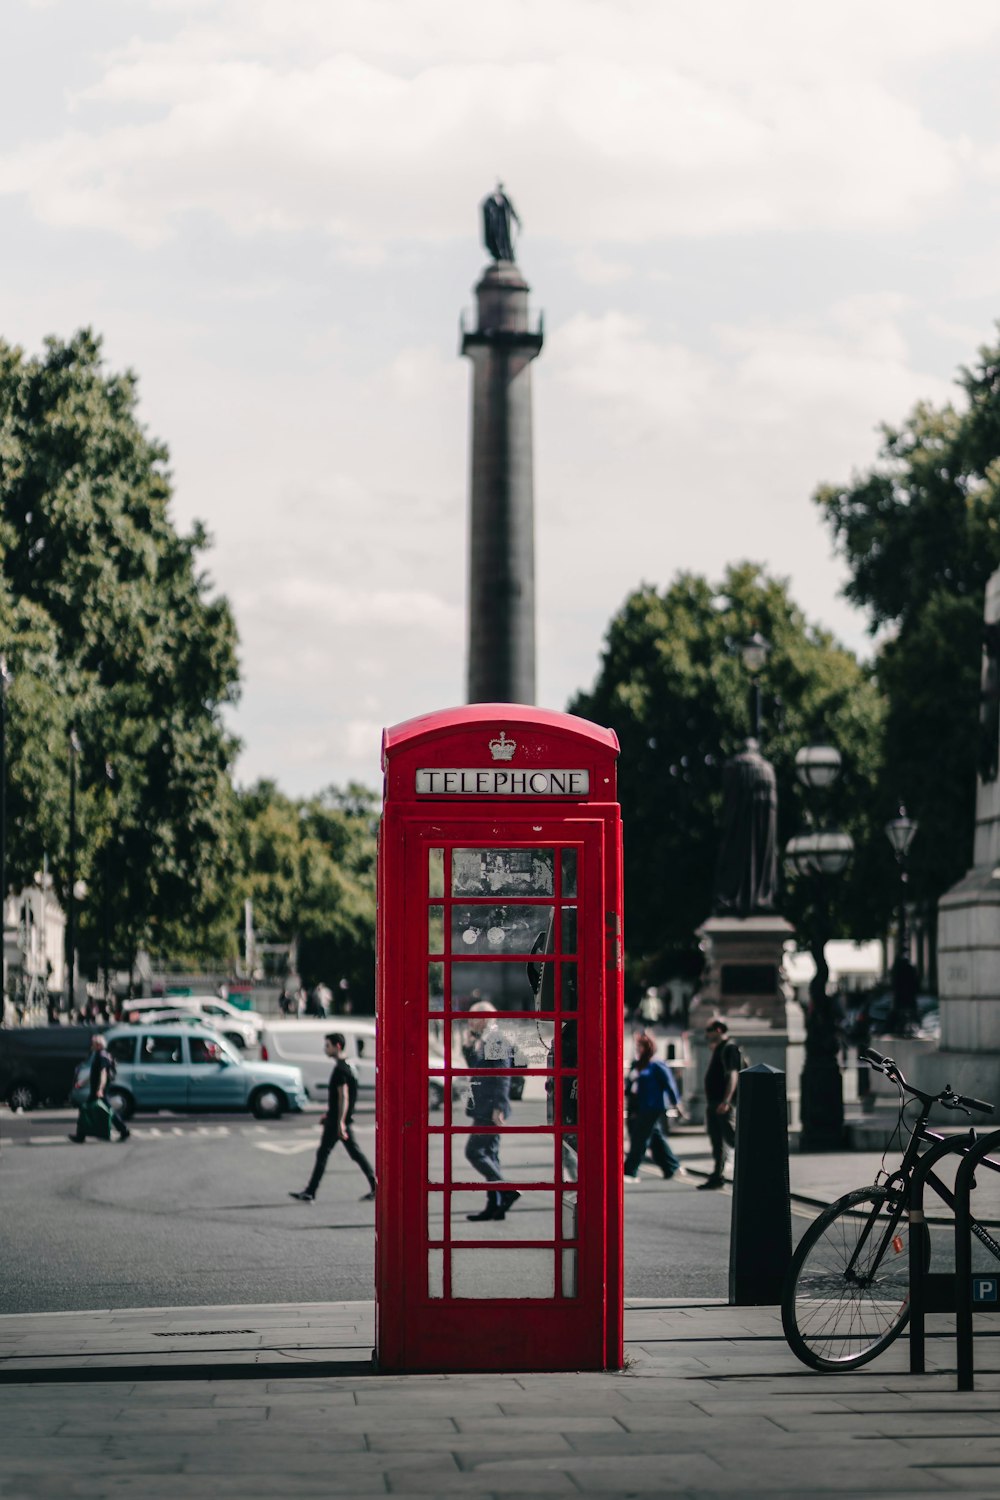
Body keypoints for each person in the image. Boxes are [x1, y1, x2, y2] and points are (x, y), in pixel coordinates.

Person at [289, 1033, 376, 1203]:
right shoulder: (349, 1066)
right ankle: (374, 1185)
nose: (325, 1049)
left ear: (337, 1046)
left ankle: (310, 1192)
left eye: (327, 1045)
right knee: (351, 1153)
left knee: (326, 1154)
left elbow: (344, 1097)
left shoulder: (340, 1070)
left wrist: (340, 1122)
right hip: (337, 1119)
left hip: (337, 1122)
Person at [462, 1000, 519, 1222]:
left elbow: (503, 1077)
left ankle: (506, 1191)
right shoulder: (485, 1039)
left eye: (472, 1017)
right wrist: (468, 1048)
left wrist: (498, 1108)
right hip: (484, 1106)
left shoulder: (496, 1039)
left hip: (490, 1108)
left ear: (484, 1018)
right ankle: (495, 1206)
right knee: (491, 1156)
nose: (469, 1021)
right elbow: (477, 1070)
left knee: (474, 1152)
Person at [624, 1033, 686, 1182]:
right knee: (655, 1138)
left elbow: (669, 1084)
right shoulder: (636, 1064)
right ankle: (672, 1167)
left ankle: (630, 1171)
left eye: (641, 1046)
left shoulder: (657, 1064)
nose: (638, 1048)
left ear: (648, 1047)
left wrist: (677, 1104)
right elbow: (630, 1085)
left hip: (653, 1106)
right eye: (637, 1045)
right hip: (637, 1107)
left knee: (639, 1139)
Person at [699, 1018, 741, 1189]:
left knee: (733, 1139)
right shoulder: (720, 1049)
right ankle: (718, 1176)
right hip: (714, 1102)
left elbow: (733, 1075)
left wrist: (726, 1101)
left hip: (723, 1103)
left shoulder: (729, 1048)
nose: (706, 1034)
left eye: (708, 1030)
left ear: (718, 1030)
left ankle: (755, 1167)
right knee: (718, 1142)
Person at [68, 1034, 130, 1143]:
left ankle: (80, 1135)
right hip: (96, 1090)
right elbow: (94, 1073)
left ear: (98, 1045)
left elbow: (103, 1074)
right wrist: (82, 1082)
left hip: (98, 1090)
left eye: (93, 1043)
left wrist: (100, 1089)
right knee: (105, 1110)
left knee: (86, 1110)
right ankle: (123, 1130)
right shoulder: (100, 1055)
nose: (91, 1045)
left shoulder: (101, 1056)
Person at [481, 182, 521, 262]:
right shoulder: (490, 200)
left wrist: (517, 220)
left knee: (505, 243)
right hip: (495, 226)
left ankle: (506, 256)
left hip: (504, 226)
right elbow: (486, 209)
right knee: (495, 242)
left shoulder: (505, 199)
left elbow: (512, 210)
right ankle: (498, 255)